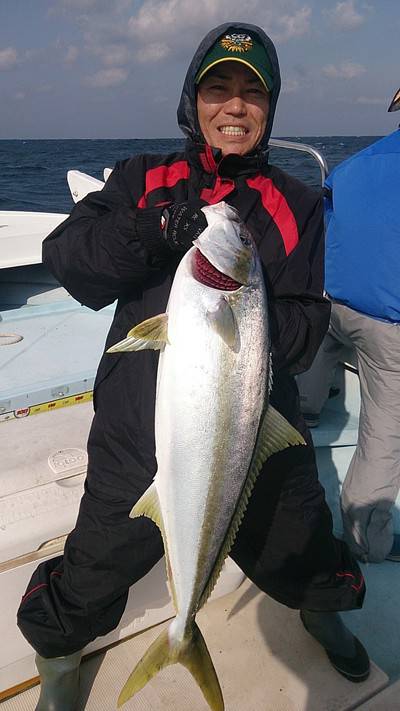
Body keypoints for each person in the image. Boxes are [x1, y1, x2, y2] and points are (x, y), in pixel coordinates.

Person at [17, 23, 370, 710]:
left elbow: (306, 327)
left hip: (252, 419)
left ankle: (322, 609)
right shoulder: (142, 177)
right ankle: (58, 657)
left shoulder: (296, 205)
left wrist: (249, 312)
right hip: (136, 428)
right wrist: (150, 232)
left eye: (251, 93)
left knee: (304, 537)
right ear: (194, 100)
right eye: (218, 89)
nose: (234, 107)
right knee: (97, 561)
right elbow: (71, 259)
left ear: (270, 110)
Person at [297, 87, 400, 564]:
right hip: (389, 330)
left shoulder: (350, 168)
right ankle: (366, 544)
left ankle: (307, 408)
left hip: (332, 307)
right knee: (382, 439)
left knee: (319, 348)